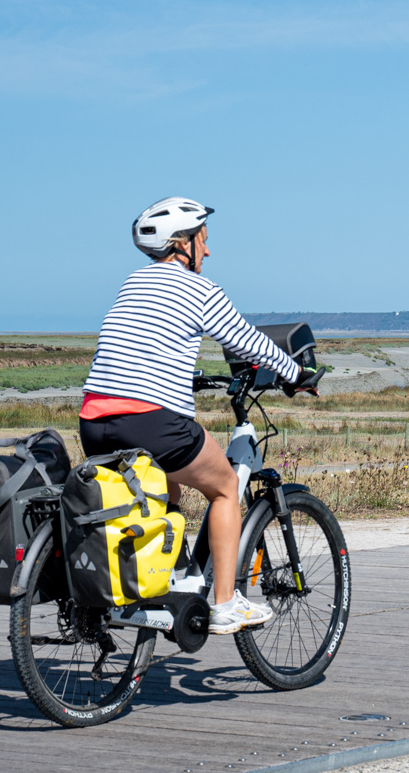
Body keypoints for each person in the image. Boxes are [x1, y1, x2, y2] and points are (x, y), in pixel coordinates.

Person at [81, 197, 320, 636]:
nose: (207, 252)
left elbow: (142, 345)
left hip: (94, 421)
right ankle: (225, 604)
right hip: (151, 421)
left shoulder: (132, 283)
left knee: (164, 488)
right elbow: (247, 340)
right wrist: (296, 373)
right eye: (203, 241)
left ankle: (173, 577)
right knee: (226, 486)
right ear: (182, 243)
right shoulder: (199, 290)